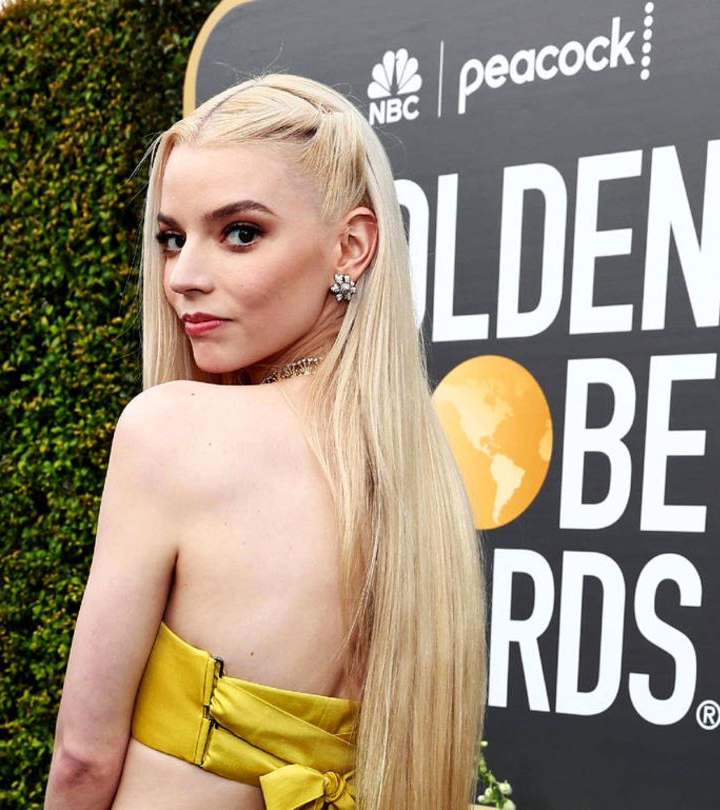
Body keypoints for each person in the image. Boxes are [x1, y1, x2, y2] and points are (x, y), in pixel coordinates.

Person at [44, 73, 486, 810]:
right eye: (171, 239)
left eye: (240, 233)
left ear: (351, 246)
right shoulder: (418, 473)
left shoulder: (170, 431)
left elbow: (82, 761)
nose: (183, 277)